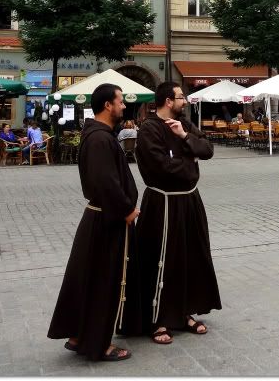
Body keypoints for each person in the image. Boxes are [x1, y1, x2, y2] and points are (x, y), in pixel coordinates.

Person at [48, 83, 140, 362]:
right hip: (106, 219)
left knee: (88, 278)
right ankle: (98, 345)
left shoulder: (99, 135)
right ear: (107, 105)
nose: (124, 106)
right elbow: (105, 182)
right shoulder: (100, 138)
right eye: (120, 101)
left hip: (100, 216)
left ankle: (78, 335)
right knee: (103, 282)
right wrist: (126, 209)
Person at [135, 81, 221, 345]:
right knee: (163, 260)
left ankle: (184, 313)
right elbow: (160, 167)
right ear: (168, 101)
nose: (185, 101)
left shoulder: (185, 124)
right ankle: (158, 319)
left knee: (189, 257)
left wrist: (185, 138)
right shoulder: (149, 129)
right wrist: (188, 162)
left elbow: (207, 151)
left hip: (189, 202)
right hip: (163, 203)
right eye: (181, 97)